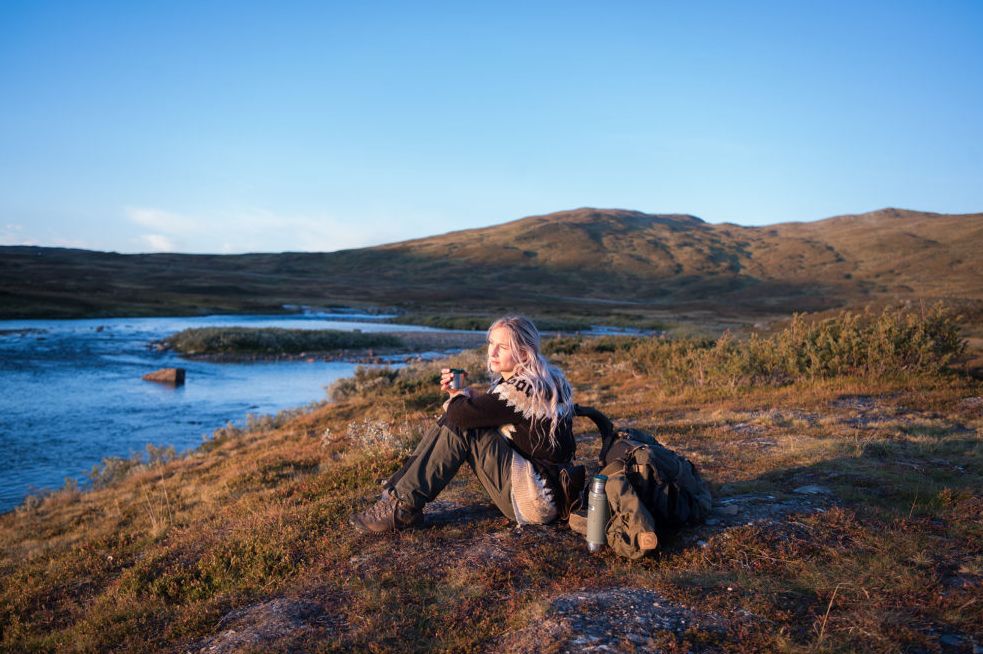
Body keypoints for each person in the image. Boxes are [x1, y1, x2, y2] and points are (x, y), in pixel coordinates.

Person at [349, 315, 577, 533]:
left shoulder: (521, 389)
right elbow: (501, 409)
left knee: (461, 424)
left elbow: (463, 416)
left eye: (503, 347)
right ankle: (398, 499)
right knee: (463, 416)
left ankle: (401, 507)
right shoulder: (546, 379)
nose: (493, 352)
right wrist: (465, 398)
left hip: (535, 500)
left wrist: (458, 396)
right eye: (491, 343)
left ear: (525, 354)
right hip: (552, 492)